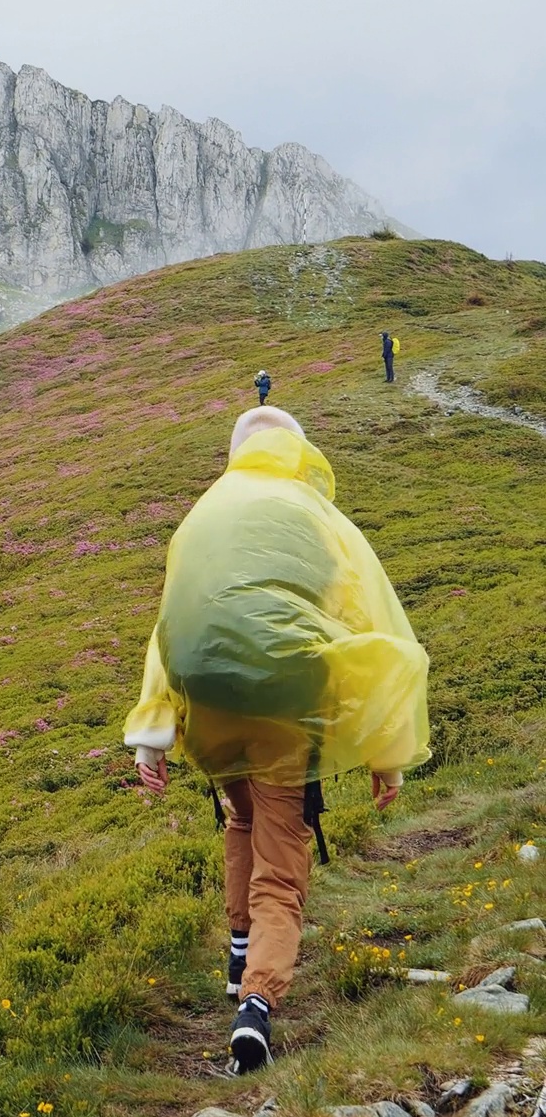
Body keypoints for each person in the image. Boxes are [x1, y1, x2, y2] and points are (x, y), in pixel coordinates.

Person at [124, 406, 430, 1074]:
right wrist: (389, 753)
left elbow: (169, 628)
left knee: (243, 814)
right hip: (287, 698)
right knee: (282, 850)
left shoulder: (201, 517)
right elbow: (369, 615)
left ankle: (240, 947)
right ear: (299, 453)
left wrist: (151, 739)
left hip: (206, 698)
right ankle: (257, 1003)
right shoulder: (317, 519)